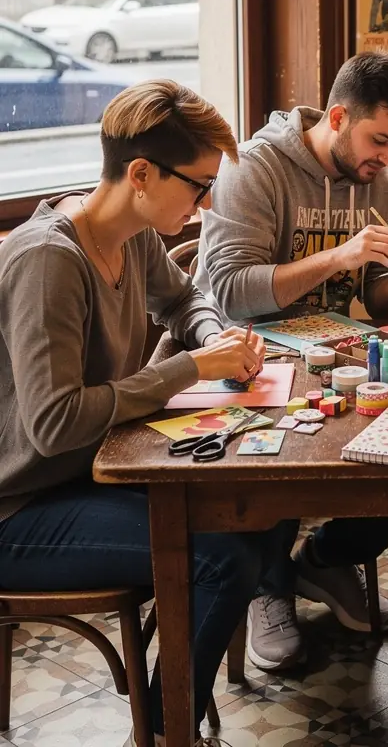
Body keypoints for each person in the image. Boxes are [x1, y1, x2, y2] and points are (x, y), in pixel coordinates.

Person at [0, 80, 285, 746]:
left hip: (84, 473)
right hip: (19, 509)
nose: (207, 203)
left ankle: (168, 713)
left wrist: (212, 336)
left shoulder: (129, 234)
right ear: (140, 174)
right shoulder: (48, 261)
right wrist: (190, 368)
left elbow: (185, 299)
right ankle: (160, 732)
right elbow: (55, 422)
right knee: (225, 559)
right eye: (197, 185)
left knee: (260, 511)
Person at [196, 51, 388, 670]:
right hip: (251, 359)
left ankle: (324, 562)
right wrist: (337, 258)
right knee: (276, 462)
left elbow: (377, 294)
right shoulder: (255, 168)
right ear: (337, 116)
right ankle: (266, 587)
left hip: (337, 350)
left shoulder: (380, 179)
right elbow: (228, 289)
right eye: (379, 140)